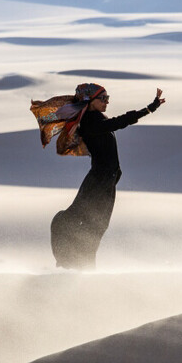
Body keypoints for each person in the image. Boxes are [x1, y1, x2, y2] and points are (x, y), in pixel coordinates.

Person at [30, 83, 165, 269]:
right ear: (89, 101)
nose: (107, 102)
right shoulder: (90, 122)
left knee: (96, 226)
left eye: (107, 98)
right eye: (103, 98)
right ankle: (71, 264)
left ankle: (81, 265)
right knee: (85, 223)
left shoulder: (95, 118)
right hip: (99, 179)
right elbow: (118, 122)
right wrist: (148, 109)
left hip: (106, 179)